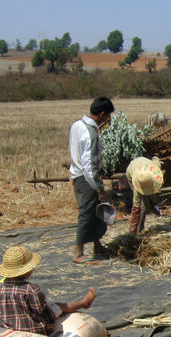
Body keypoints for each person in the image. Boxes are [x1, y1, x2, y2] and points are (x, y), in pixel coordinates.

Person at [0, 246, 96, 335]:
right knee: (58, 306)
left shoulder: (0, 287)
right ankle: (83, 303)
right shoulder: (31, 290)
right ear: (27, 271)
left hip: (9, 325)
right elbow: (40, 310)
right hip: (32, 327)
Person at [69, 96, 114, 264]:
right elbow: (89, 165)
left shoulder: (77, 125)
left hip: (78, 175)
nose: (107, 120)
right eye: (108, 116)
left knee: (97, 213)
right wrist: (99, 188)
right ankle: (78, 252)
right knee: (87, 214)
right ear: (102, 114)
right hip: (86, 179)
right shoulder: (91, 134)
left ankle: (97, 244)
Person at [125, 156, 164, 233]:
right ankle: (139, 229)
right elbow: (136, 206)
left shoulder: (154, 168)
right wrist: (133, 226)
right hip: (131, 171)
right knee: (143, 205)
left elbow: (155, 159)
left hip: (143, 166)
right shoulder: (137, 183)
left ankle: (152, 206)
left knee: (149, 198)